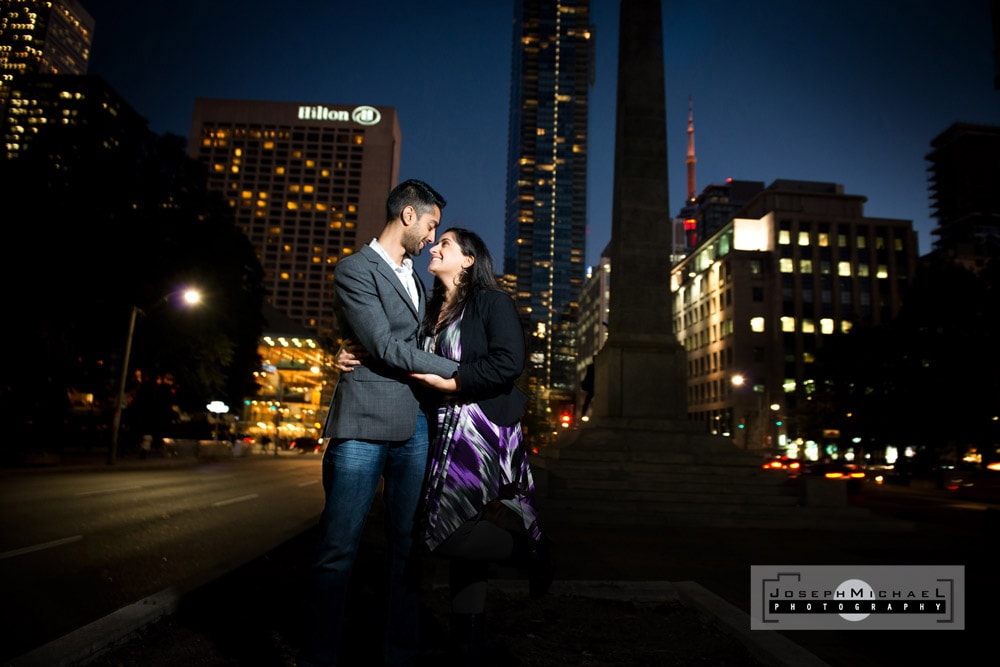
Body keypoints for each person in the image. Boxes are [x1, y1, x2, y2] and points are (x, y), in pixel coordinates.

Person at [338, 228, 553, 663]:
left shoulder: (492, 302)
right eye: (435, 242)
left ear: (469, 260)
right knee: (455, 529)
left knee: (440, 534)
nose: (434, 247)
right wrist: (347, 354)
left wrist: (455, 380)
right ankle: (466, 641)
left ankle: (529, 548)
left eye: (446, 244)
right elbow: (397, 352)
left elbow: (510, 362)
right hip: (440, 428)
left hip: (481, 431)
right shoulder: (428, 310)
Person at [300, 179, 462, 667]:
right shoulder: (355, 268)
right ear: (408, 217)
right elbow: (386, 346)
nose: (432, 238)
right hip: (363, 427)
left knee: (407, 550)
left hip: (415, 426)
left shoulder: (417, 277)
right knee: (338, 549)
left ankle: (400, 655)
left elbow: (417, 342)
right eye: (431, 225)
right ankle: (320, 657)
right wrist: (468, 376)